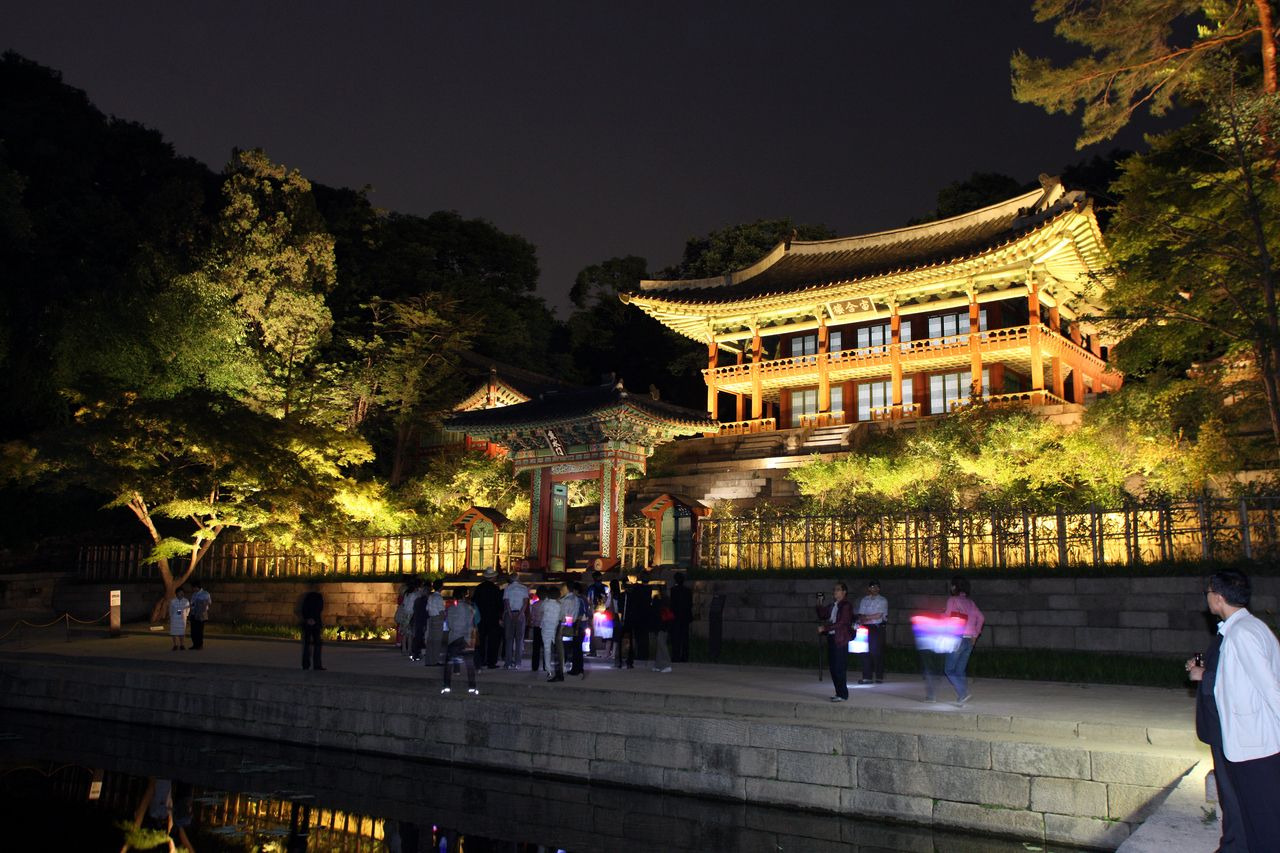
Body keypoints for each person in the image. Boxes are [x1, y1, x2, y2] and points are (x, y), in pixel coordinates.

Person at [1187, 569, 1280, 850]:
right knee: (1255, 820)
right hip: (1249, 743)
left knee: (1264, 822)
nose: (1207, 598)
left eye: (1208, 592)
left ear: (1218, 597)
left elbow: (1271, 688)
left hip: (1254, 746)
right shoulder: (1250, 627)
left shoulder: (1242, 634)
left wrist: (1205, 677)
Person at [933, 575, 983, 705]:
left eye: (952, 585)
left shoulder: (952, 600)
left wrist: (941, 615)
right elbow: (981, 618)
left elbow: (947, 618)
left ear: (954, 587)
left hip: (957, 638)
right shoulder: (970, 603)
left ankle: (963, 693)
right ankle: (963, 696)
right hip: (969, 640)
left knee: (949, 670)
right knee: (960, 670)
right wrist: (975, 634)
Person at [815, 582, 854, 701]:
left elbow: (842, 622)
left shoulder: (846, 605)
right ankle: (839, 693)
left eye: (838, 589)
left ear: (844, 592)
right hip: (832, 638)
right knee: (833, 667)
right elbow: (823, 614)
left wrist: (825, 628)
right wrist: (819, 602)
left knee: (839, 668)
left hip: (841, 639)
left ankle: (843, 694)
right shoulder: (833, 605)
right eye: (834, 590)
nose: (835, 592)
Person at [440, 592, 479, 695]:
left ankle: (447, 686)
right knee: (469, 665)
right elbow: (472, 623)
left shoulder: (451, 609)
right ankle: (472, 687)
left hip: (454, 637)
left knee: (448, 664)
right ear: (463, 597)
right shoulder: (469, 608)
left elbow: (449, 624)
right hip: (466, 638)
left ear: (455, 598)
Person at [855, 580, 888, 684]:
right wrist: (865, 618)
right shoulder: (864, 600)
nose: (875, 589)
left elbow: (879, 615)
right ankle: (867, 677)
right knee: (864, 651)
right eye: (873, 587)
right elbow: (860, 614)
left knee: (877, 652)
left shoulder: (882, 600)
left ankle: (879, 676)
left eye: (877, 587)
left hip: (877, 627)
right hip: (865, 627)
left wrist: (866, 617)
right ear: (869, 588)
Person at [472, 568, 504, 668]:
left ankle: (480, 660)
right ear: (493, 577)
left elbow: (474, 602)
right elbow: (500, 604)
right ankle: (491, 662)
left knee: (481, 640)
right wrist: (500, 616)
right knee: (493, 641)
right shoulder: (495, 589)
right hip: (493, 618)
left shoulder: (479, 588)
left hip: (481, 617)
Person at [502, 574, 530, 670]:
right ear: (518, 578)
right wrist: (520, 614)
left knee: (509, 639)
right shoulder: (524, 588)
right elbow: (525, 603)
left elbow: (506, 603)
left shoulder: (507, 588)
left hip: (509, 614)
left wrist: (510, 614)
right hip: (520, 614)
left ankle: (508, 662)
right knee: (519, 639)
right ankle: (518, 662)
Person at [539, 585, 565, 681]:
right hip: (555, 629)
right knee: (559, 649)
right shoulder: (559, 605)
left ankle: (548, 670)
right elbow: (563, 618)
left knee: (547, 649)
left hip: (546, 628)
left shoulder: (545, 603)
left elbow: (541, 611)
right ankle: (562, 667)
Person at [299, 582, 325, 671]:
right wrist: (313, 619)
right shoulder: (318, 596)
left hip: (308, 623)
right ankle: (317, 664)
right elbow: (319, 609)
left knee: (307, 645)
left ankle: (306, 664)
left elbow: (302, 609)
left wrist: (307, 619)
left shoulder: (305, 596)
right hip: (315, 623)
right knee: (317, 644)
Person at [566, 581, 589, 677]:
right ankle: (579, 668)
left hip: (579, 626)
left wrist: (575, 626)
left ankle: (576, 669)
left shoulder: (579, 600)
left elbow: (580, 614)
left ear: (575, 590)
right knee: (578, 648)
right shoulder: (584, 599)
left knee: (576, 649)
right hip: (582, 626)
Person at [669, 572, 693, 663]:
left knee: (676, 637)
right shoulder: (688, 591)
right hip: (685, 616)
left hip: (676, 617)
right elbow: (690, 604)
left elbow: (672, 604)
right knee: (685, 637)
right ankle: (685, 656)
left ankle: (676, 656)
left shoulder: (673, 590)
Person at [651, 587, 674, 673]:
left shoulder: (658, 600)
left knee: (662, 645)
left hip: (660, 626)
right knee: (660, 645)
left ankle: (667, 664)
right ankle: (658, 665)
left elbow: (656, 613)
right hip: (665, 626)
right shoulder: (667, 600)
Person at [425, 579, 446, 666]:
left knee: (430, 640)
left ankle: (429, 660)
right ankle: (435, 660)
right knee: (437, 641)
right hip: (438, 619)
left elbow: (427, 608)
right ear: (441, 587)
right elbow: (441, 611)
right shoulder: (439, 597)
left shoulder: (431, 596)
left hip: (431, 618)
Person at [188, 581, 211, 650]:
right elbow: (192, 603)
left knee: (199, 630)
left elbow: (209, 602)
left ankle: (200, 645)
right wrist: (192, 606)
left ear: (197, 587)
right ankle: (195, 644)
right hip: (194, 613)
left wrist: (201, 603)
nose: (193, 589)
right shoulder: (194, 594)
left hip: (201, 614)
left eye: (193, 588)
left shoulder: (205, 593)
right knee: (193, 630)